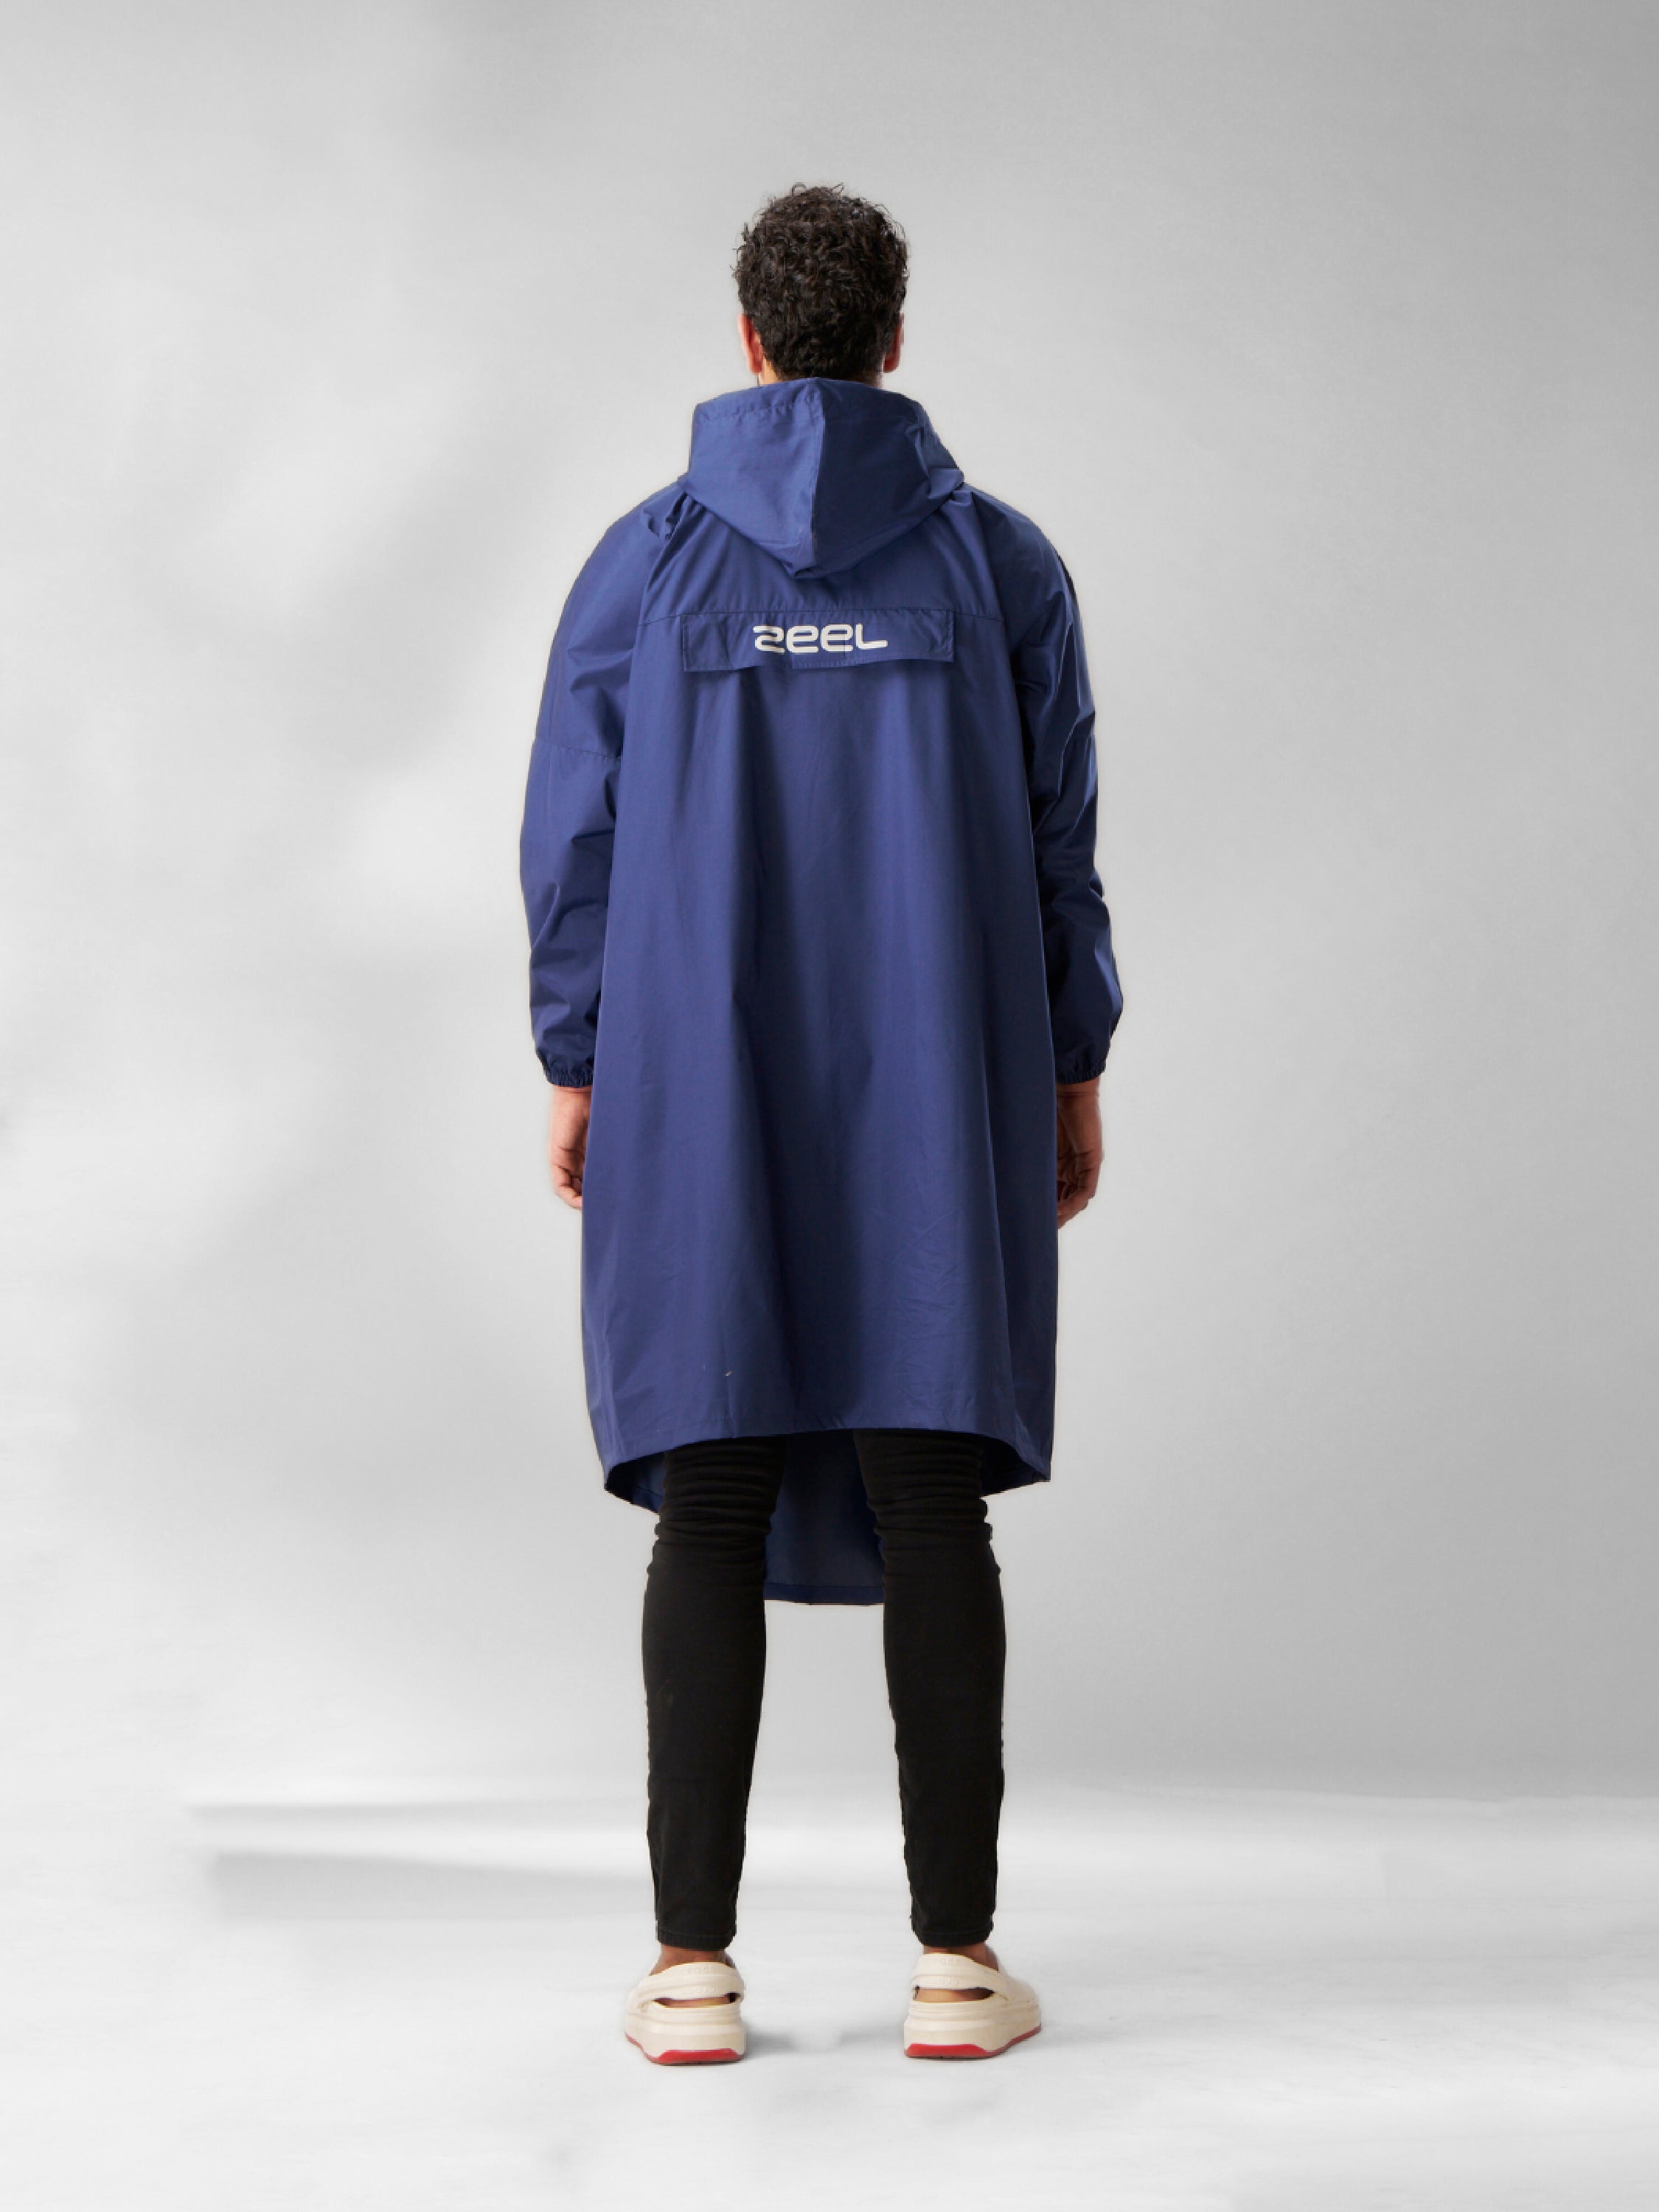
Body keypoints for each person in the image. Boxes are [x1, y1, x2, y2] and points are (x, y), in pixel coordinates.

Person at [519, 184, 1122, 2065]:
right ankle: (957, 1969)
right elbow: (1061, 845)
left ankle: (690, 1978)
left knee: (708, 1482)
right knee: (929, 1485)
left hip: (698, 1077)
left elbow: (575, 837)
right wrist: (1073, 1062)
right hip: (945, 1076)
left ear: (753, 343)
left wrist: (577, 1056)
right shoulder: (1001, 565)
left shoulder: (644, 562)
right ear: (894, 341)